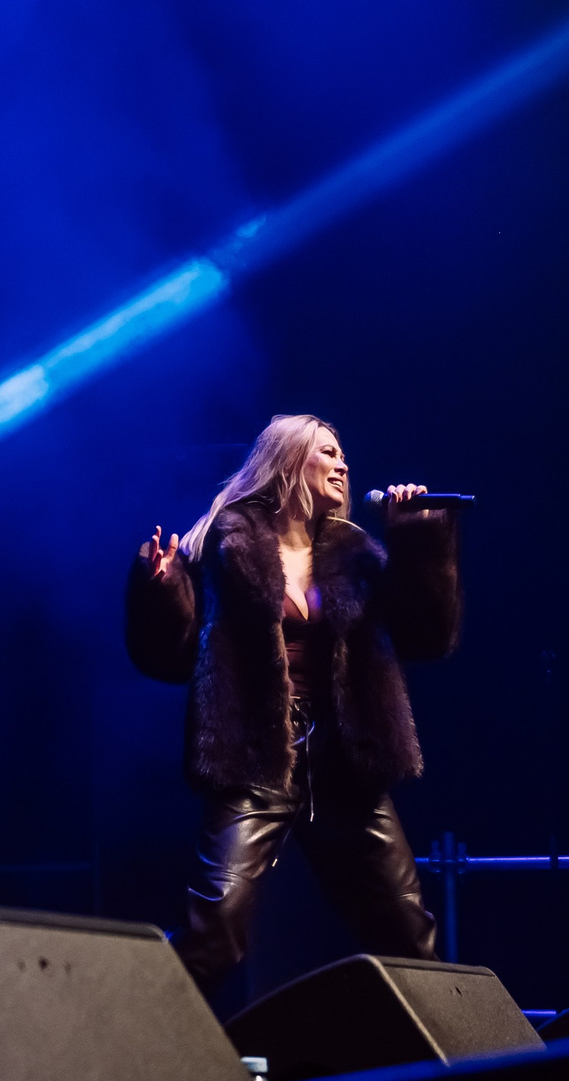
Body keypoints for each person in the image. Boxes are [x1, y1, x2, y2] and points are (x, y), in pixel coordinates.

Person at [124, 414, 460, 996]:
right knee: (216, 932)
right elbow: (172, 659)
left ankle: (442, 1076)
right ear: (288, 461)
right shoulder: (223, 546)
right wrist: (159, 592)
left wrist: (416, 540)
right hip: (256, 754)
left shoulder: (356, 554)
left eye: (343, 455)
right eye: (327, 452)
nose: (343, 464)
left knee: (408, 934)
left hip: (344, 763)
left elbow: (427, 637)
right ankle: (131, 1044)